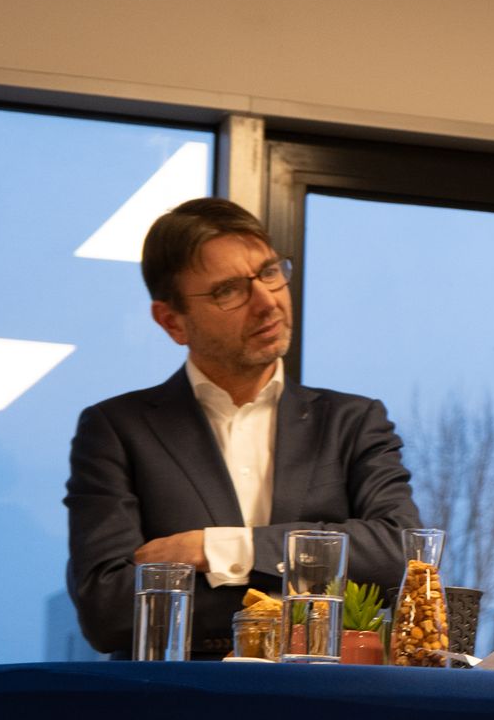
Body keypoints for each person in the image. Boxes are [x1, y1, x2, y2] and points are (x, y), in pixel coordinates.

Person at [65, 197, 420, 657]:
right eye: (229, 290)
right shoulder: (117, 430)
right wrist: (302, 596)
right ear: (172, 321)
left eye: (270, 272)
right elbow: (107, 610)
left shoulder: (351, 422)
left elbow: (400, 558)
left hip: (322, 694)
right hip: (181, 694)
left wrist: (219, 549)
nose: (267, 301)